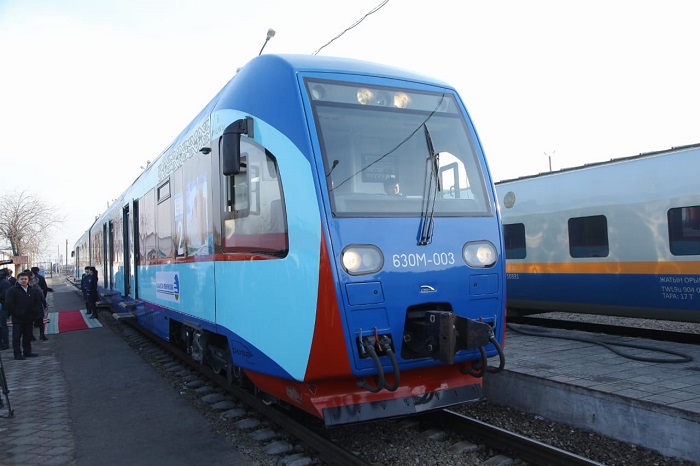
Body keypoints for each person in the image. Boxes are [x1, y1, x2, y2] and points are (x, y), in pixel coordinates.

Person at [4, 271, 42, 360]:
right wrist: (17, 312)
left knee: (27, 336)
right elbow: (9, 304)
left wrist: (34, 312)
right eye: (21, 279)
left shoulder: (32, 289)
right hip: (18, 318)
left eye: (25, 279)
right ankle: (17, 354)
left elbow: (37, 301)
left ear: (28, 280)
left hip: (29, 317)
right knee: (16, 337)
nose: (23, 280)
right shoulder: (12, 290)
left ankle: (27, 352)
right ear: (17, 280)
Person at [24, 269, 49, 341]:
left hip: (27, 306)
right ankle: (41, 335)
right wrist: (44, 304)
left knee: (29, 321)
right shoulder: (35, 285)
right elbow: (41, 295)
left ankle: (31, 336)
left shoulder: (23, 285)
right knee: (40, 320)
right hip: (37, 305)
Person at [0, 269, 12, 350]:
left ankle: (5, 344)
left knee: (2, 326)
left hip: (3, 307)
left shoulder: (5, 283)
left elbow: (5, 295)